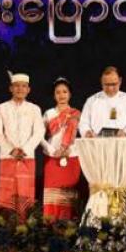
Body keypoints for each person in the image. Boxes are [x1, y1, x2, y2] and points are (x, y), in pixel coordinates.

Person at [0, 71, 45, 220]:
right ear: (11, 88)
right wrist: (11, 150)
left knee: (25, 196)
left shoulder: (35, 109)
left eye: (23, 86)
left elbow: (39, 131)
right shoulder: (1, 108)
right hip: (7, 157)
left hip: (26, 158)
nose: (20, 89)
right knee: (7, 196)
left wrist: (25, 149)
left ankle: (25, 229)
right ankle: (5, 229)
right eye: (16, 86)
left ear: (28, 89)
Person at [41, 77, 82, 220]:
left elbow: (84, 138)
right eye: (58, 92)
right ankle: (50, 229)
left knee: (68, 200)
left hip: (72, 159)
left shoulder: (77, 114)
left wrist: (70, 149)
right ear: (54, 95)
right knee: (52, 199)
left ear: (70, 94)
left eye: (65, 92)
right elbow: (39, 137)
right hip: (52, 160)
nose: (61, 95)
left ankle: (70, 229)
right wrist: (53, 151)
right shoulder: (48, 114)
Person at [79, 66, 126, 138]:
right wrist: (87, 132)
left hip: (122, 143)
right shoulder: (92, 100)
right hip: (98, 144)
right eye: (107, 84)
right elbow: (83, 122)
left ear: (120, 81)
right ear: (101, 81)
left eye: (114, 84)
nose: (110, 88)